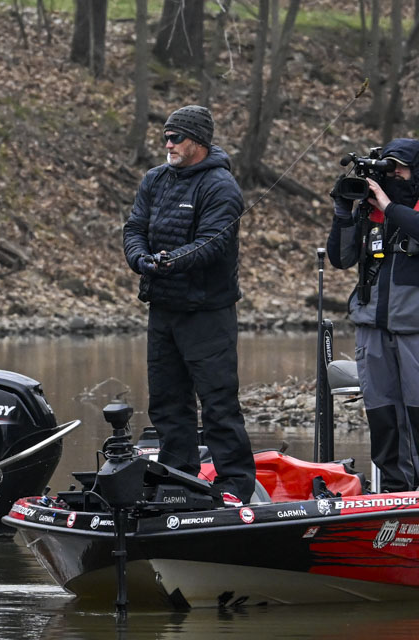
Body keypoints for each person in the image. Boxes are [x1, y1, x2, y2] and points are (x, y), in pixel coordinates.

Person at [122, 104, 255, 506]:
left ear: (198, 141)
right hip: (163, 309)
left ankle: (235, 485)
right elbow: (134, 227)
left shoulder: (221, 187)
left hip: (207, 314)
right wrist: (140, 258)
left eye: (175, 137)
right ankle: (178, 479)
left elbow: (213, 243)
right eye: (165, 137)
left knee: (218, 402)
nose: (168, 144)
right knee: (167, 401)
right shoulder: (155, 179)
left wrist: (169, 261)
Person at [326, 138, 419, 492]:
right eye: (389, 167)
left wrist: (389, 205)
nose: (394, 174)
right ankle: (395, 491)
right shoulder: (369, 213)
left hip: (417, 331)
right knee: (383, 417)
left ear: (417, 171)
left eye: (400, 168)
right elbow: (341, 259)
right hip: (372, 331)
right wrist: (343, 213)